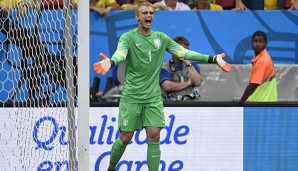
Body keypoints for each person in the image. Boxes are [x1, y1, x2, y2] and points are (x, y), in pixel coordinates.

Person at [93, 2, 231, 171]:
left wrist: (213, 59)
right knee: (125, 137)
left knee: (154, 135)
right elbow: (121, 53)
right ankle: (111, 168)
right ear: (137, 17)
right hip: (132, 97)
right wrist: (111, 61)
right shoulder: (128, 37)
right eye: (144, 13)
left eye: (151, 12)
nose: (148, 15)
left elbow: (184, 53)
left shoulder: (161, 38)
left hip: (153, 97)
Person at [160, 36, 203, 101]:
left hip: (192, 105)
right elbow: (167, 86)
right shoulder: (164, 67)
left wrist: (188, 64)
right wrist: (188, 83)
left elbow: (198, 83)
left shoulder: (192, 66)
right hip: (173, 106)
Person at [240, 30, 278, 102]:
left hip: (261, 102)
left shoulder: (262, 61)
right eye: (255, 41)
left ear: (266, 43)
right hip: (265, 101)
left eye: (261, 41)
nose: (257, 44)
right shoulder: (263, 57)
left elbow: (252, 86)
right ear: (251, 42)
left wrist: (241, 102)